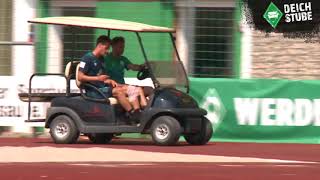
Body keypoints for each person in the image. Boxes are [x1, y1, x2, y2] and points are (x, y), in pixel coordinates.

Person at [78, 35, 140, 122]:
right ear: (99, 45)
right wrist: (98, 78)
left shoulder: (102, 59)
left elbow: (103, 77)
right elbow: (80, 77)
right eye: (106, 48)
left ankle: (138, 113)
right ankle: (131, 114)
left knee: (132, 89)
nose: (107, 51)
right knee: (118, 91)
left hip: (103, 88)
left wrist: (110, 80)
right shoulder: (87, 58)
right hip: (94, 91)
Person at [104, 36, 152, 106]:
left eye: (123, 47)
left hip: (122, 85)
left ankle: (147, 108)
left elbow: (132, 67)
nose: (122, 49)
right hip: (114, 86)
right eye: (120, 47)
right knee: (138, 89)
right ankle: (143, 108)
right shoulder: (106, 59)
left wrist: (142, 66)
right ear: (113, 46)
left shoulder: (123, 59)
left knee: (149, 89)